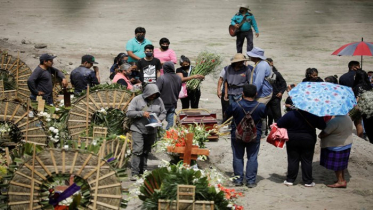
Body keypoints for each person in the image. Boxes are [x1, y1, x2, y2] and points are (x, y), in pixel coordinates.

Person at [225, 84, 266, 188]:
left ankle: (238, 180)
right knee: (252, 157)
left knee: (238, 156)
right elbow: (265, 116)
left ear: (242, 93)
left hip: (237, 135)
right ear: (256, 94)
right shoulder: (261, 107)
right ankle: (250, 181)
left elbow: (226, 114)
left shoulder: (235, 105)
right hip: (254, 135)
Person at [126, 84, 166, 180]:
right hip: (138, 128)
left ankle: (142, 171)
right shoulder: (137, 99)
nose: (153, 96)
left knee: (146, 151)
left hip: (151, 130)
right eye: (151, 95)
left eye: (155, 95)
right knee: (137, 150)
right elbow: (129, 113)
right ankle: (134, 173)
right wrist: (141, 113)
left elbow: (163, 112)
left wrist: (160, 119)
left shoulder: (159, 100)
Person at [277, 109, 326, 187]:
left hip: (292, 138)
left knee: (292, 159)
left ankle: (290, 180)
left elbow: (279, 124)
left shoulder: (290, 114)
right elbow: (323, 126)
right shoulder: (314, 114)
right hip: (308, 138)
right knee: (307, 160)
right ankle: (308, 181)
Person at [318, 115, 353, 188]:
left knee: (337, 165)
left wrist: (320, 135)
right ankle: (342, 179)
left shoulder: (334, 121)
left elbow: (324, 133)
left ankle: (340, 181)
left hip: (336, 145)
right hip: (346, 144)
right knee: (341, 164)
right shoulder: (347, 118)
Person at [247, 47, 273, 137]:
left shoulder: (261, 65)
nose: (249, 57)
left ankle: (261, 132)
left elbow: (259, 81)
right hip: (261, 92)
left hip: (263, 93)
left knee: (258, 111)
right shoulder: (259, 64)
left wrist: (253, 93)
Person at [156, 62, 182, 130]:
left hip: (162, 104)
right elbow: (179, 90)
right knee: (170, 121)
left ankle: (160, 133)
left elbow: (156, 90)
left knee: (159, 120)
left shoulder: (162, 78)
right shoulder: (178, 78)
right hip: (173, 103)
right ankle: (168, 134)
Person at [353, 69, 373, 143]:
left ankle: (361, 140)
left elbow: (357, 98)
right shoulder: (369, 85)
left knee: (359, 123)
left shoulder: (357, 86)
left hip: (360, 108)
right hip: (369, 108)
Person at [266, 58, 287, 128]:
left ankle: (279, 130)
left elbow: (284, 84)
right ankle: (267, 129)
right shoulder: (263, 74)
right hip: (265, 97)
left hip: (275, 97)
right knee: (266, 114)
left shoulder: (277, 74)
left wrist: (281, 92)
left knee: (277, 115)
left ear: (271, 63)